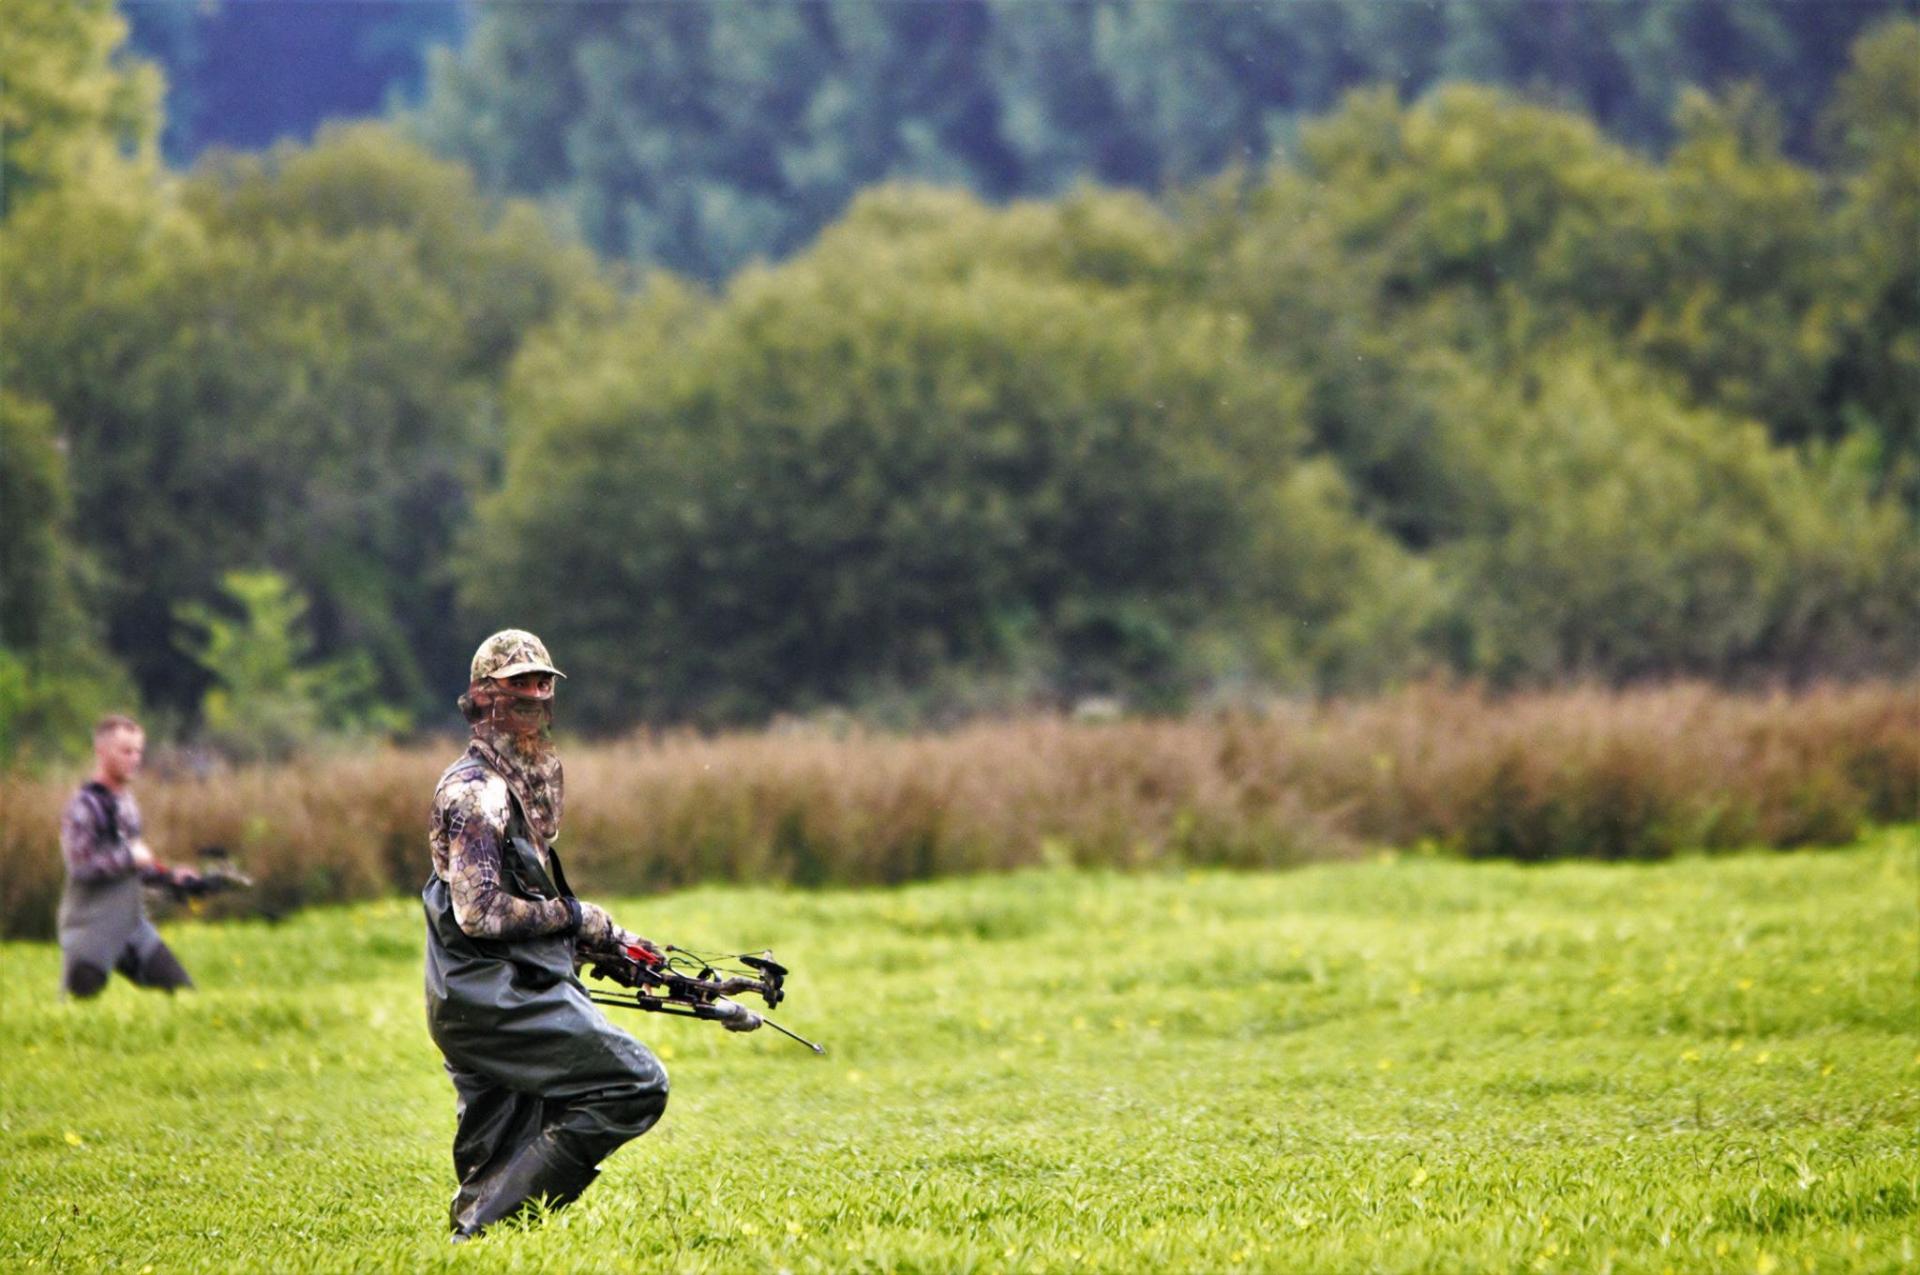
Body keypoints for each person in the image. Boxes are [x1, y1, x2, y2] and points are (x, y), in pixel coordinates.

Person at [423, 629, 759, 1241]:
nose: (532, 693)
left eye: (541, 682)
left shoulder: (519, 781)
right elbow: (479, 913)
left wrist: (647, 961)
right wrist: (579, 919)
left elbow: (537, 905)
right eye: (515, 683)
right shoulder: (476, 792)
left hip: (497, 991)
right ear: (482, 696)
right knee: (634, 1083)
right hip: (492, 999)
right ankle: (482, 1234)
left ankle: (475, 1242)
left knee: (496, 1157)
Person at [57, 715, 198, 998]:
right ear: (102, 752)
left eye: (138, 751)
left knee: (184, 995)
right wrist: (129, 857)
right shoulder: (83, 806)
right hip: (91, 927)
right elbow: (81, 866)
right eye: (126, 751)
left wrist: (172, 877)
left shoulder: (127, 804)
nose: (134, 759)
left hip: (130, 925)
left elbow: (136, 868)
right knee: (77, 1009)